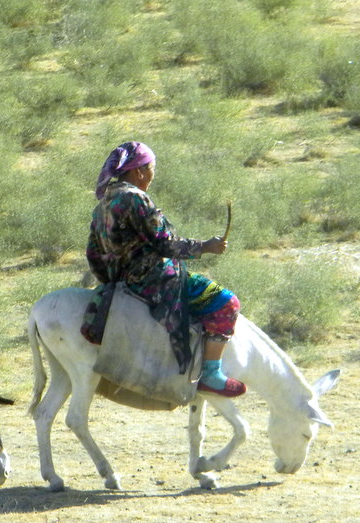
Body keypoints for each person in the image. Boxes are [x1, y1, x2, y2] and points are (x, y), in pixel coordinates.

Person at [83, 141, 246, 397]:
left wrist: (112, 280)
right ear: (138, 172)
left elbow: (93, 253)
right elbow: (166, 244)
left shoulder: (104, 203)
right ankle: (211, 375)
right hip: (154, 279)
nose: (152, 175)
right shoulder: (135, 199)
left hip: (122, 280)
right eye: (151, 169)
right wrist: (206, 246)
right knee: (227, 303)